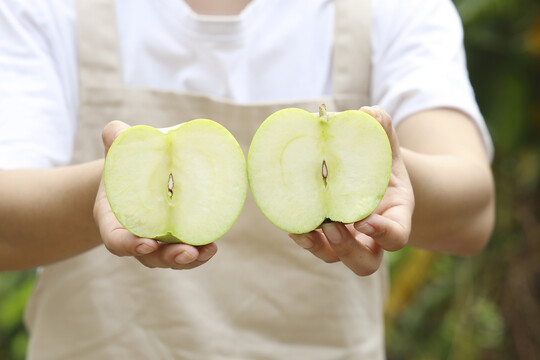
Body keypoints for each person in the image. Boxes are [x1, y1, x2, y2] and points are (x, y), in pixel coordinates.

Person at [0, 0, 495, 359]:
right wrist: (116, 183)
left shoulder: (396, 9)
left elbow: (473, 211)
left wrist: (385, 176)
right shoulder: (43, 9)